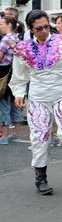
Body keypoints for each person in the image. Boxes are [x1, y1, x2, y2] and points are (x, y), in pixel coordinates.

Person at [9, 10, 62, 194]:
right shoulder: (22, 49)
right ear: (31, 29)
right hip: (38, 98)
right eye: (39, 28)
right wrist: (19, 93)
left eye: (47, 26)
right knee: (40, 137)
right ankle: (41, 178)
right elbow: (19, 77)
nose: (44, 31)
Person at [0, 16, 24, 145]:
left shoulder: (5, 40)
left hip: (3, 74)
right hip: (14, 73)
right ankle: (16, 133)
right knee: (14, 103)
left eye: (1, 24)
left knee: (3, 104)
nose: (0, 26)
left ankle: (3, 135)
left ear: (9, 25)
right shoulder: (16, 38)